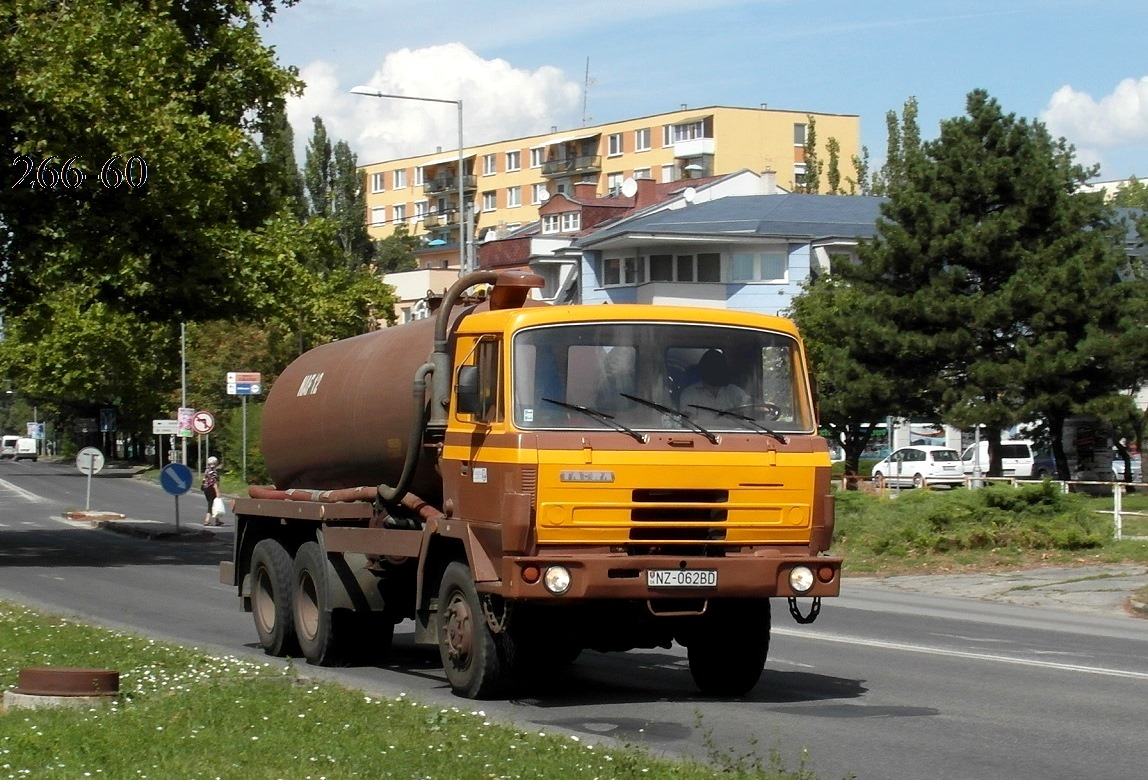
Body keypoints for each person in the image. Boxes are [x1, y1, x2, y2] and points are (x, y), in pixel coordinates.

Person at [678, 349, 750, 424]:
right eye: (712, 368)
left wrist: (757, 409)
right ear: (704, 370)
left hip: (735, 434)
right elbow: (689, 420)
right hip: (703, 434)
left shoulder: (734, 391)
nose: (716, 371)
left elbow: (750, 405)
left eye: (719, 368)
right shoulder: (689, 394)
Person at [202, 456, 223, 526]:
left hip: (206, 489)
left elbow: (204, 480)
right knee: (211, 504)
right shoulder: (214, 471)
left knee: (213, 504)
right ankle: (207, 520)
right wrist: (217, 492)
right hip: (212, 489)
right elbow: (214, 482)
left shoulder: (206, 470)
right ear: (216, 463)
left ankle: (217, 520)